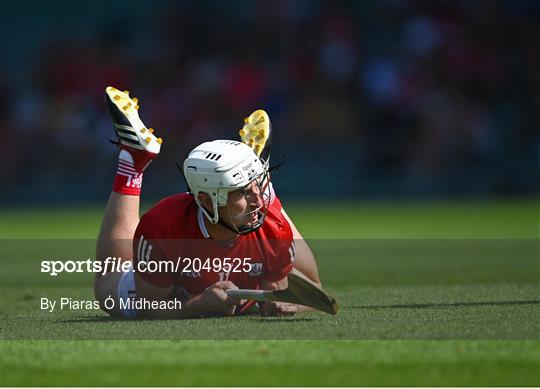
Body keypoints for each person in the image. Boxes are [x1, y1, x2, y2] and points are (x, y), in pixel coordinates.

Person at [94, 86, 321, 318]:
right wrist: (199, 304)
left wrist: (284, 304)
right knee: (107, 288)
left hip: (256, 244)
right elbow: (151, 307)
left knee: (302, 271)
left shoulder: (272, 225)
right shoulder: (162, 227)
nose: (258, 202)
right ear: (206, 201)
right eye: (241, 192)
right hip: (174, 292)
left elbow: (314, 293)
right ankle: (133, 164)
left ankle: (257, 175)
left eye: (258, 187)